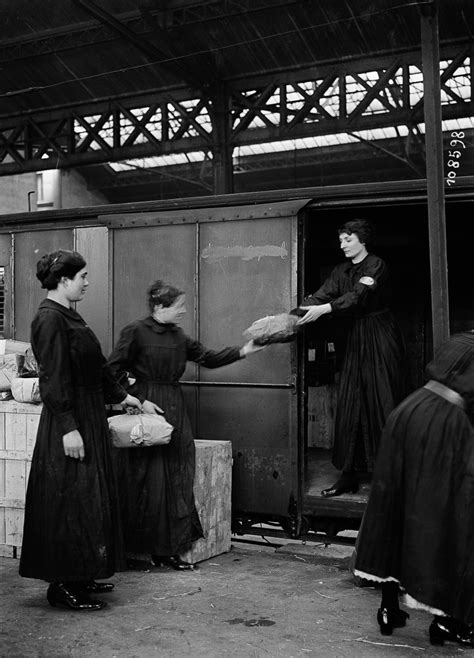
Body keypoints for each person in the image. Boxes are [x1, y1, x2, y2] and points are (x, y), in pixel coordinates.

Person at [107, 280, 263, 570]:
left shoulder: (178, 336)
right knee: (145, 479)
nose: (182, 312)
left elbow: (209, 358)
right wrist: (137, 400)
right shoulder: (135, 331)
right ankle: (136, 550)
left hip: (175, 410)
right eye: (177, 306)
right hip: (146, 409)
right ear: (159, 307)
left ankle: (168, 550)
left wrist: (244, 351)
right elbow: (112, 370)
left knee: (177, 477)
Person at [19, 250, 142, 611]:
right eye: (83, 276)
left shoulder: (69, 316)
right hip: (69, 419)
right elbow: (53, 379)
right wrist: (68, 428)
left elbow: (97, 367)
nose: (87, 282)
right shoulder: (49, 319)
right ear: (63, 280)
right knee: (69, 500)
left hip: (87, 413)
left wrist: (124, 396)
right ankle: (61, 584)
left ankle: (81, 571)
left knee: (88, 497)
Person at [353, 332, 474, 647]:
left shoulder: (461, 341)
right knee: (448, 517)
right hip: (444, 425)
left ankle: (388, 608)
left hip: (410, 410)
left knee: (396, 509)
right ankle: (446, 622)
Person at [297, 219, 405, 497]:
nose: (342, 244)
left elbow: (358, 297)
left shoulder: (376, 266)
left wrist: (325, 309)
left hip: (381, 336)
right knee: (350, 400)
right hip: (356, 336)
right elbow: (321, 295)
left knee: (382, 399)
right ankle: (348, 475)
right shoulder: (340, 270)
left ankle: (390, 478)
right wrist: (289, 315)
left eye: (348, 239)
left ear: (363, 240)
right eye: (341, 240)